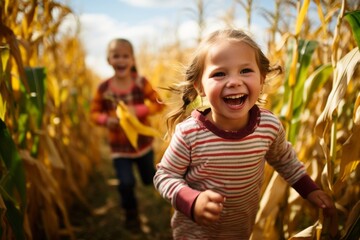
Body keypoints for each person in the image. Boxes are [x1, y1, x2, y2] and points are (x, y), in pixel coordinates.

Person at [153, 29, 336, 239]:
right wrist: (191, 200)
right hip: (195, 232)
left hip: (240, 230)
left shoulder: (267, 126)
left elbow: (286, 161)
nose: (234, 81)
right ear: (200, 87)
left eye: (245, 71)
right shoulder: (190, 133)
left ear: (262, 78)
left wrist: (310, 190)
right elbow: (165, 176)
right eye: (219, 74)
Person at [90, 38, 164, 231]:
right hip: (119, 148)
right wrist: (106, 120)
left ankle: (166, 192)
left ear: (132, 60)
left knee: (149, 179)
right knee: (126, 183)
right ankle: (131, 215)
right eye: (116, 56)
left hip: (143, 145)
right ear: (108, 60)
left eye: (125, 56)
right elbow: (93, 114)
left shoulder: (141, 82)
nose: (121, 60)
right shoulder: (103, 88)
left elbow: (158, 104)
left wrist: (136, 111)